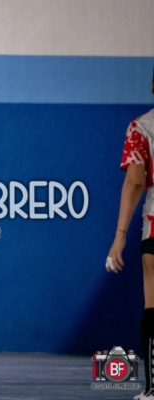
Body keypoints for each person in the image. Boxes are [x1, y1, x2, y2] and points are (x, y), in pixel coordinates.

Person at [106, 69, 154, 400]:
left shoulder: (141, 127)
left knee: (153, 306)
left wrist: (120, 234)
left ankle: (152, 389)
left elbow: (135, 181)